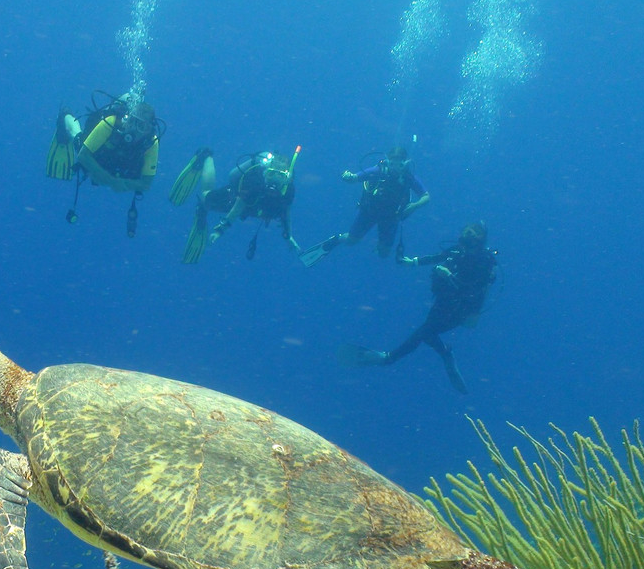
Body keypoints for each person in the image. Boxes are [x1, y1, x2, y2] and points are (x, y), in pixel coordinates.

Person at [337, 222, 497, 394]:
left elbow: (471, 291)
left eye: (475, 231)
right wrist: (411, 262)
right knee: (428, 333)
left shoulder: (484, 261)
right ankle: (446, 354)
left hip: (462, 309)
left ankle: (389, 358)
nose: (469, 232)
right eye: (467, 229)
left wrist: (447, 274)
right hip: (443, 301)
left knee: (425, 332)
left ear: (482, 238)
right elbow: (437, 257)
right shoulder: (457, 250)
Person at [46, 93, 161, 237]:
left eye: (141, 126)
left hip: (115, 167)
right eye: (132, 122)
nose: (134, 129)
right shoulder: (112, 122)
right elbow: (83, 155)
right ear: (127, 118)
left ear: (149, 129)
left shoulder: (151, 143)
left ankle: (132, 96)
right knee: (77, 138)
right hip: (98, 154)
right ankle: (66, 115)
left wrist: (122, 183)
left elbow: (146, 184)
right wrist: (111, 180)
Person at [300, 146, 429, 266]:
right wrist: (348, 176)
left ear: (405, 163)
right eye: (392, 162)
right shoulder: (379, 170)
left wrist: (415, 206)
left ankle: (379, 244)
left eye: (399, 163)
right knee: (351, 241)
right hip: (369, 212)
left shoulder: (409, 178)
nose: (395, 167)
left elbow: (426, 196)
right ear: (387, 161)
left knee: (384, 254)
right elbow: (355, 178)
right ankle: (337, 239)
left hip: (391, 217)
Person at [175, 148, 302, 263]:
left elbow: (286, 214)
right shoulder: (254, 185)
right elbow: (237, 208)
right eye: (271, 174)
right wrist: (220, 229)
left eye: (280, 177)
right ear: (265, 173)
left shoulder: (287, 192)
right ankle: (206, 156)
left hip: (254, 209)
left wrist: (288, 236)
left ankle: (203, 207)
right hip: (236, 198)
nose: (274, 181)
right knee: (205, 197)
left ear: (287, 179)